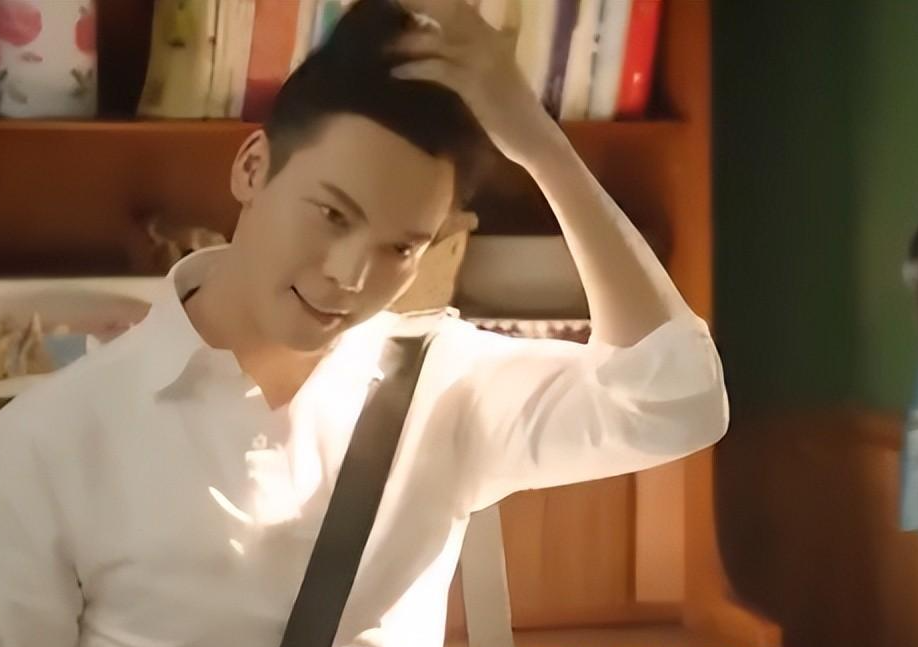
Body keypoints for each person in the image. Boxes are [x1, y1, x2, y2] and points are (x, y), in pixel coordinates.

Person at [0, 0, 729, 645]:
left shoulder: (444, 385)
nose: (351, 275)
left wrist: (542, 148)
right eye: (332, 214)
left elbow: (678, 398)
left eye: (400, 248)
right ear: (253, 168)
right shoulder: (50, 439)